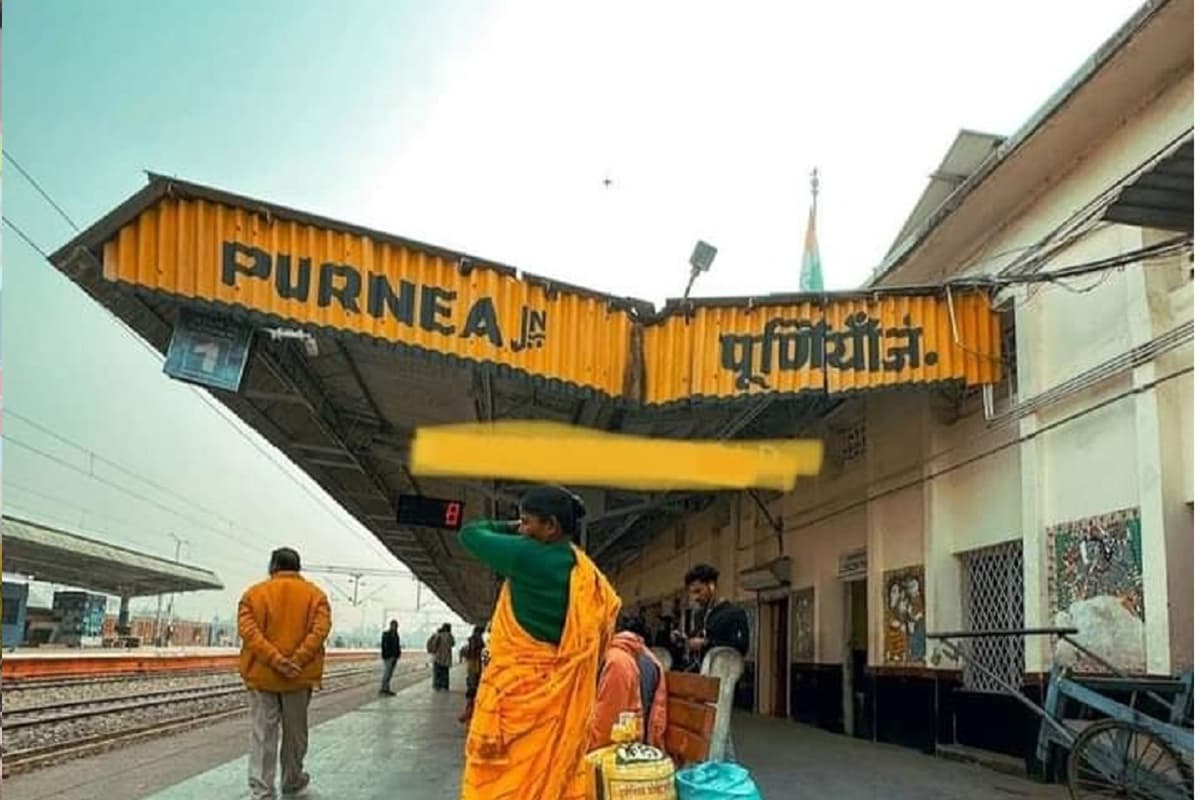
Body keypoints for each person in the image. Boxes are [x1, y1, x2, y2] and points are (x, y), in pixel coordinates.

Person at [459, 485, 621, 800]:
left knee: (505, 779)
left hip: (515, 696)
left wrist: (507, 528)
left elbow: (470, 533)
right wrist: (524, 528)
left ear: (551, 526)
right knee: (550, 774)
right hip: (557, 698)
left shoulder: (527, 555)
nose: (522, 528)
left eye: (527, 521)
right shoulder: (585, 572)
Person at [237, 547, 332, 800]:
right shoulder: (316, 596)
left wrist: (275, 661)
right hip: (299, 678)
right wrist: (295, 661)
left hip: (262, 676)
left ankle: (262, 791)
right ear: (297, 567)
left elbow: (249, 633)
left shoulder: (253, 595)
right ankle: (294, 783)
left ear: (273, 566)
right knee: (295, 735)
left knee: (263, 735)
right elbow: (319, 632)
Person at [589, 613, 668, 751]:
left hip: (623, 754)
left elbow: (604, 734)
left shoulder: (618, 662)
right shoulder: (640, 656)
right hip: (627, 746)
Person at [680, 564, 749, 671]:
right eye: (692, 593)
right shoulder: (699, 615)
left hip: (724, 679)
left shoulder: (734, 613)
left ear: (711, 586)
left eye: (698, 591)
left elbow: (741, 647)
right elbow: (698, 638)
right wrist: (685, 640)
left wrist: (707, 643)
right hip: (700, 676)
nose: (695, 598)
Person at [458, 625, 487, 724]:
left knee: (472, 687)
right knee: (474, 688)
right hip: (475, 664)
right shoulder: (477, 640)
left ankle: (468, 713)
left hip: (473, 664)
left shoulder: (472, 639)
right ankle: (468, 714)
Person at [427, 623, 455, 691]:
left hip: (438, 657)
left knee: (437, 673)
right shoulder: (450, 636)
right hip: (446, 658)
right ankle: (445, 686)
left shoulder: (438, 635)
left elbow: (434, 645)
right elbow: (453, 644)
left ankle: (437, 686)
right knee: (445, 673)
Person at [380, 620, 402, 695]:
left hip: (394, 657)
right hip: (388, 657)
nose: (395, 627)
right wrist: (388, 655)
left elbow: (397, 646)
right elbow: (384, 646)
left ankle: (386, 688)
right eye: (394, 625)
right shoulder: (386, 634)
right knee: (387, 673)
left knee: (389, 674)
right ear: (391, 625)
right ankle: (383, 689)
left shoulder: (396, 635)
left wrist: (398, 654)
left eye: (396, 626)